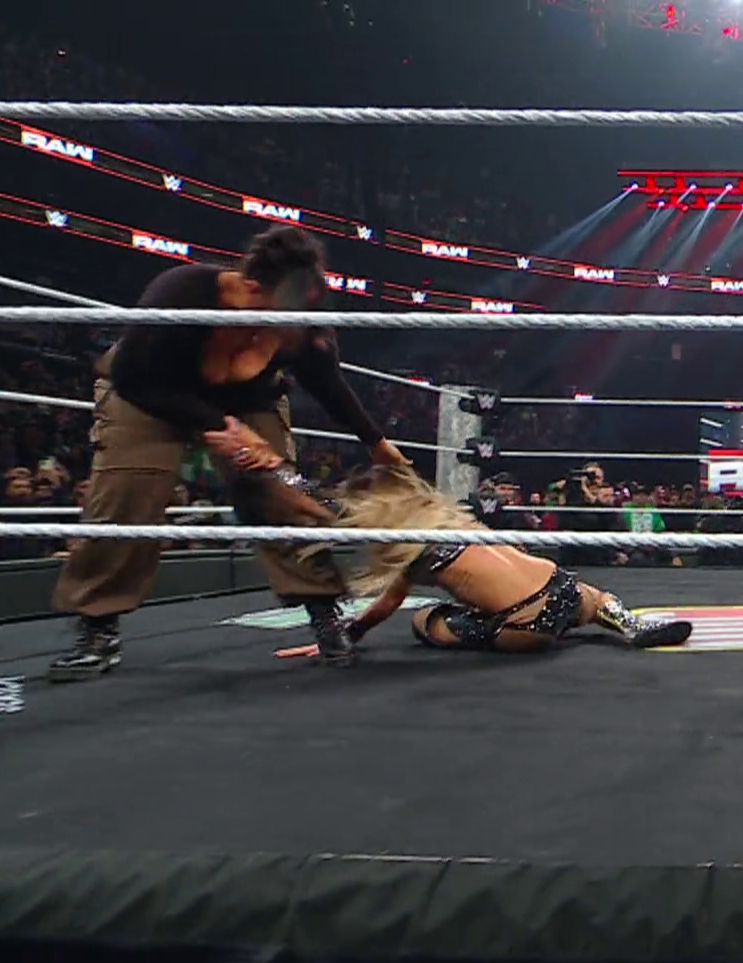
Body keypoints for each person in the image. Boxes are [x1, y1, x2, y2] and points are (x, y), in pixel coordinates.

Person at [51, 226, 406, 680]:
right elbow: (132, 380)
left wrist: (375, 442)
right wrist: (218, 426)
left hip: (248, 398)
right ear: (252, 289)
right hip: (149, 393)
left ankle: (322, 609)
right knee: (128, 490)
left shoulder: (304, 316)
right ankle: (97, 626)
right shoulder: (181, 293)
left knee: (279, 493)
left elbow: (325, 380)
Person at [305, 465, 692, 654]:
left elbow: (388, 603)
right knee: (593, 598)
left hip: (528, 622)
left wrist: (346, 634)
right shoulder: (453, 517)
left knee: (425, 621)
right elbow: (396, 468)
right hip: (564, 587)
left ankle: (495, 623)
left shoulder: (412, 546)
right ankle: (628, 624)